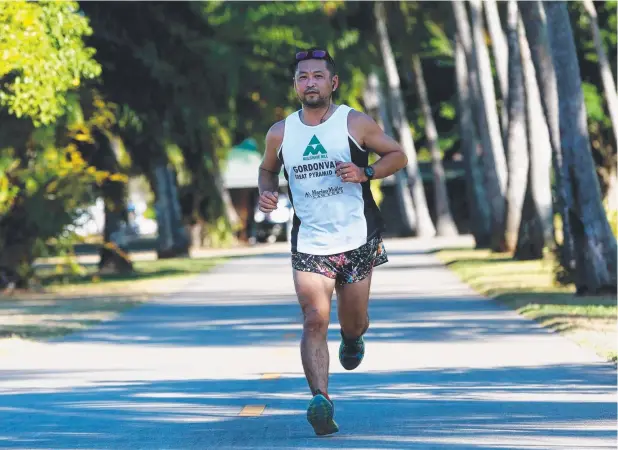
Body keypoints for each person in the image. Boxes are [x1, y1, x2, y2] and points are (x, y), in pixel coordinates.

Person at [257, 48, 408, 436]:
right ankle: (320, 398)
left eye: (318, 76)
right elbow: (267, 169)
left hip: (357, 237)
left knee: (354, 322)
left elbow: (398, 155)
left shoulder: (353, 122)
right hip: (309, 241)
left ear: (333, 82)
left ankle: (353, 339)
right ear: (295, 86)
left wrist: (366, 171)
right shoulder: (281, 132)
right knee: (314, 319)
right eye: (303, 77)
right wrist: (267, 192)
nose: (310, 82)